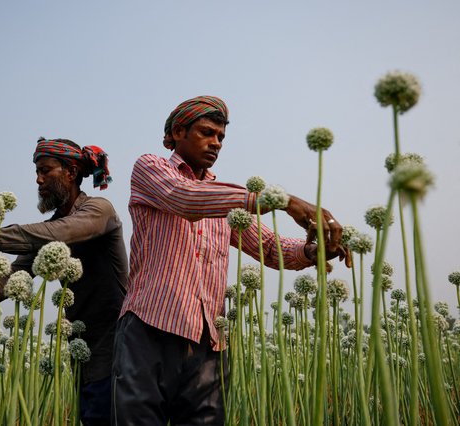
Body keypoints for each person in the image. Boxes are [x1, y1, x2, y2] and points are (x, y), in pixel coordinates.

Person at [112, 96, 349, 425]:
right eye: (207, 133)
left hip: (209, 340)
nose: (216, 143)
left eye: (221, 137)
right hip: (150, 329)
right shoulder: (151, 168)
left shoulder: (223, 198)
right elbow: (184, 198)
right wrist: (283, 202)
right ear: (178, 132)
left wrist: (314, 251)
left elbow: (269, 246)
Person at [0, 138, 128, 426]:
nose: (38, 180)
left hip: (119, 355)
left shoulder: (99, 211)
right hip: (84, 357)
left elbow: (59, 233)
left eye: (45, 170)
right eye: (36, 173)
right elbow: (6, 283)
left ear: (72, 172)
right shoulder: (49, 229)